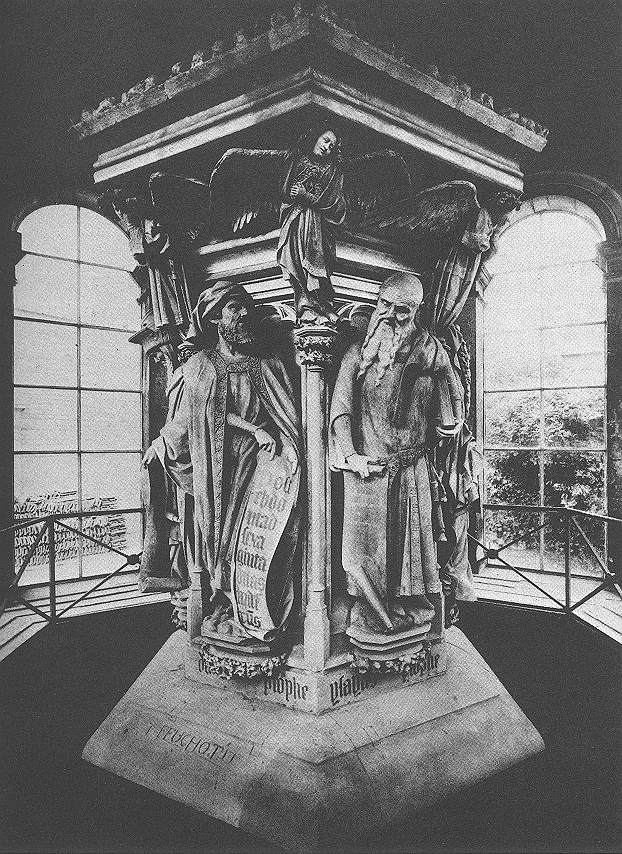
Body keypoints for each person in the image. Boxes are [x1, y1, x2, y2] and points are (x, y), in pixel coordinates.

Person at [141, 280, 301, 633]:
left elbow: (287, 417)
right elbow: (189, 417)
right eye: (234, 308)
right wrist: (162, 444)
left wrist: (287, 444)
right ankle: (224, 603)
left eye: (246, 307)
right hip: (216, 471)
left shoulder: (266, 364)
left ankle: (255, 610)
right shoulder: (199, 366)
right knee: (219, 538)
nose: (244, 314)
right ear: (215, 318)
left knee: (256, 539)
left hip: (258, 469)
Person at [329, 272, 465, 635]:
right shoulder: (357, 355)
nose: (389, 316)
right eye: (383, 305)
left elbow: (452, 412)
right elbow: (339, 410)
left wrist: (447, 418)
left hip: (411, 470)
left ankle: (409, 612)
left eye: (401, 310)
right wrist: (351, 456)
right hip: (367, 472)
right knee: (363, 553)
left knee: (410, 551)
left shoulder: (432, 354)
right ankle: (368, 611)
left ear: (416, 311)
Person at [277, 126, 346, 324]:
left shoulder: (333, 171)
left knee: (315, 262)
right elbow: (284, 191)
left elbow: (335, 204)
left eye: (332, 146)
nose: (327, 147)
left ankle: (318, 303)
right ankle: (306, 300)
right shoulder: (295, 160)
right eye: (325, 140)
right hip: (294, 220)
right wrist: (292, 194)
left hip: (318, 225)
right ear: (315, 137)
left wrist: (305, 196)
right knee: (296, 258)